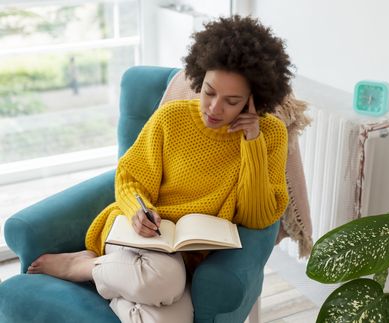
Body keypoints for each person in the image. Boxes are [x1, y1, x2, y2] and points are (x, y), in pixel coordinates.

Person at [26, 15, 293, 323]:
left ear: (253, 101)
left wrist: (251, 143)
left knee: (167, 316)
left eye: (232, 101)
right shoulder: (172, 118)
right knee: (164, 280)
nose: (214, 108)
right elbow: (130, 177)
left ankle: (108, 279)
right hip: (139, 236)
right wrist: (138, 210)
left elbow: (256, 216)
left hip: (188, 253)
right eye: (209, 92)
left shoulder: (269, 135)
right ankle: (82, 267)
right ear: (199, 77)